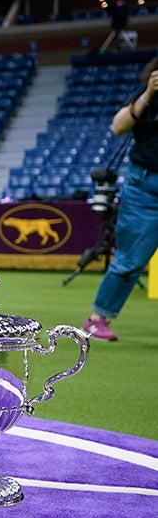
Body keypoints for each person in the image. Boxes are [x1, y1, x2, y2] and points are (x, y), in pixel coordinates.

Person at [82, 57, 158, 342]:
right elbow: (118, 127)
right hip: (146, 188)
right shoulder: (147, 98)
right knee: (130, 260)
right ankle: (96, 318)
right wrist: (148, 95)